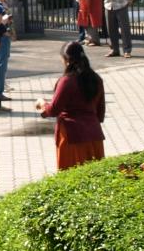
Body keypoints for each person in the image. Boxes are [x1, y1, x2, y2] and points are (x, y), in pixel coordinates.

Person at [36, 42, 107, 171]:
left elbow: (54, 110)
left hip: (72, 136)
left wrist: (42, 104)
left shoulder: (67, 81)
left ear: (66, 60)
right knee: (95, 176)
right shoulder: (96, 79)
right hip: (95, 135)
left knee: (71, 175)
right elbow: (100, 114)